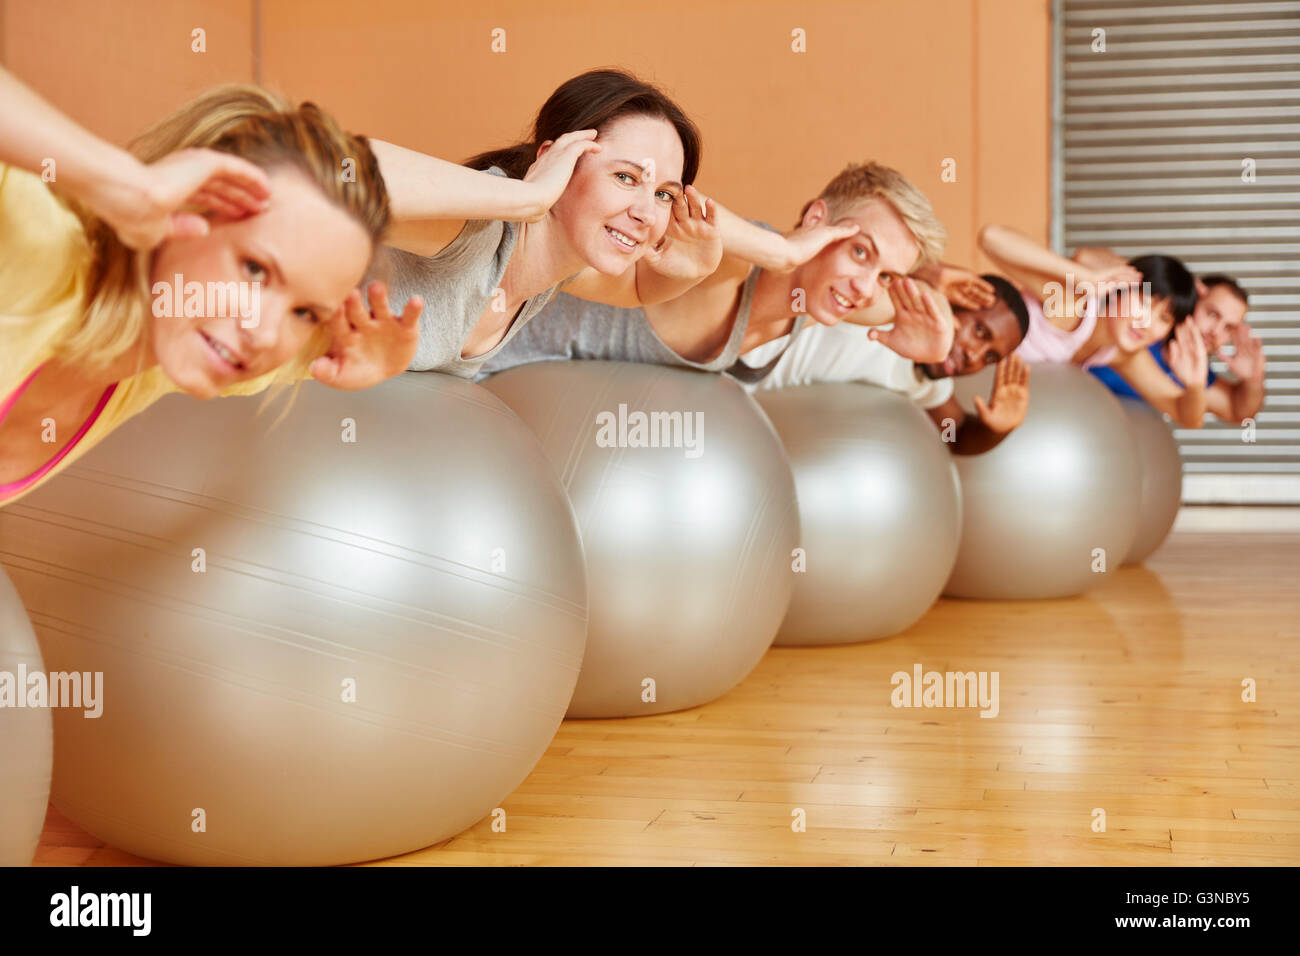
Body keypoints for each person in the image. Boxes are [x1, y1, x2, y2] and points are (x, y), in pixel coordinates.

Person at [1, 68, 420, 507]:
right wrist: (121, 183)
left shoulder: (175, 350)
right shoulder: (31, 245)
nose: (263, 335)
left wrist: (363, 360)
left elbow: (303, 353)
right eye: (255, 270)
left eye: (306, 313)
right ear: (187, 204)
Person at [370, 69, 721, 380]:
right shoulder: (478, 231)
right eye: (625, 177)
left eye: (663, 194)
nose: (646, 213)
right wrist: (531, 197)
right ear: (555, 161)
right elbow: (328, 166)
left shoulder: (558, 266)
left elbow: (638, 289)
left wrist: (696, 271)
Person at [476, 160, 952, 386]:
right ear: (815, 221)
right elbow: (678, 195)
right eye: (862, 253)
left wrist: (936, 351)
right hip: (480, 343)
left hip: (519, 390)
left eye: (886, 276)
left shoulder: (826, 295)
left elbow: (891, 306)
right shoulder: (731, 264)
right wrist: (781, 251)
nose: (866, 287)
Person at [741, 271, 1032, 455]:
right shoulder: (886, 298)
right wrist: (930, 274)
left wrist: (997, 430)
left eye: (990, 357)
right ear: (962, 301)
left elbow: (956, 435)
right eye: (980, 331)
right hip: (723, 354)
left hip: (735, 402)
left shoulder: (926, 382)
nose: (975, 356)